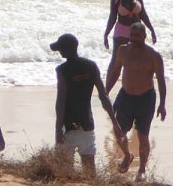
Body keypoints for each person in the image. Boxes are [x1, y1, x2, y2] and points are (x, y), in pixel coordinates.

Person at [51, 34, 121, 176]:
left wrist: (58, 129)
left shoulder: (62, 70)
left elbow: (61, 101)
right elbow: (103, 96)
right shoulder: (91, 66)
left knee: (66, 171)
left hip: (69, 127)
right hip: (87, 125)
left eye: (60, 49)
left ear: (66, 49)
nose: (59, 52)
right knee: (89, 171)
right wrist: (114, 122)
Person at [106, 21, 167, 177]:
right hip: (125, 96)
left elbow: (161, 80)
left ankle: (142, 170)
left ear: (144, 36)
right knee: (119, 132)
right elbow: (115, 72)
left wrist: (162, 104)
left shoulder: (153, 56)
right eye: (131, 35)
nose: (133, 38)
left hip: (146, 99)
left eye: (137, 35)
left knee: (143, 136)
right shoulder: (122, 50)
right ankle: (127, 155)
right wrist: (105, 92)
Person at [103, 0, 156, 74]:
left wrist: (152, 30)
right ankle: (107, 85)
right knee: (116, 60)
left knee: (139, 58)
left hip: (137, 31)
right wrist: (106, 34)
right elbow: (112, 18)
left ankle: (136, 81)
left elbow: (143, 15)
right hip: (122, 31)